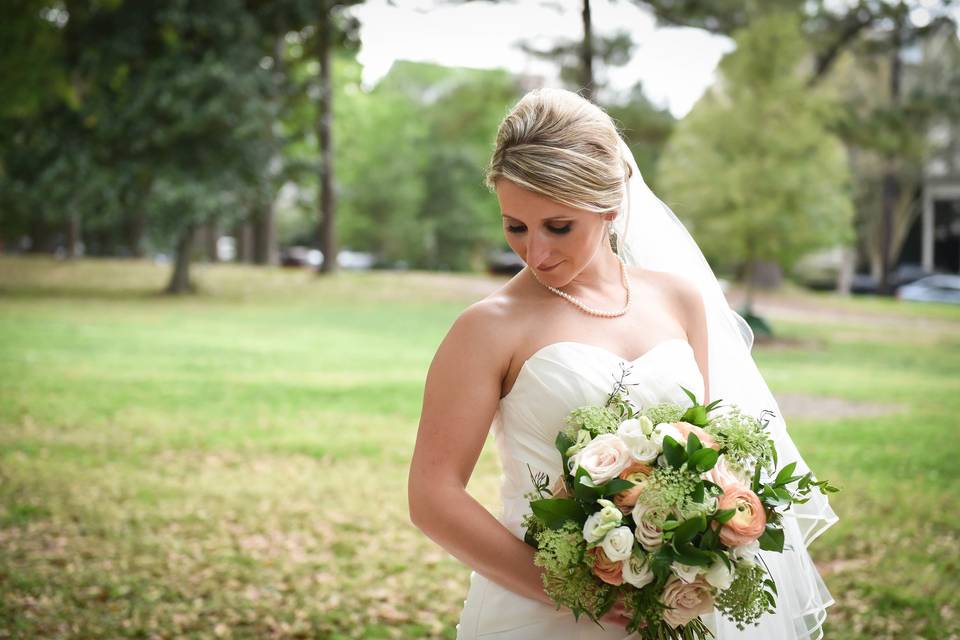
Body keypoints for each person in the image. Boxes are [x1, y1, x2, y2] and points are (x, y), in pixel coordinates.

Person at [408, 88, 839, 640]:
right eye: (515, 226)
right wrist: (569, 591)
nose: (535, 252)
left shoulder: (681, 299)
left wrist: (700, 537)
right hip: (538, 613)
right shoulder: (487, 328)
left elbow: (709, 448)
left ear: (611, 205)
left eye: (558, 227)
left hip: (675, 603)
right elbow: (432, 495)